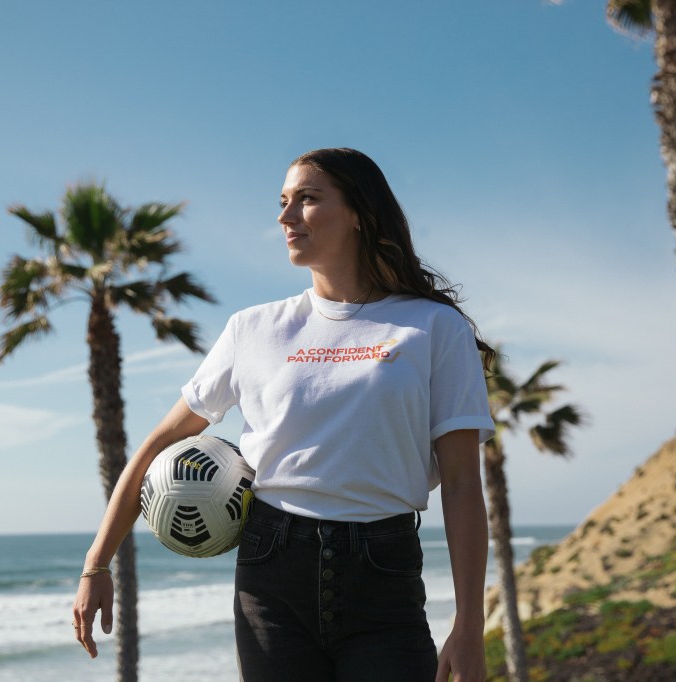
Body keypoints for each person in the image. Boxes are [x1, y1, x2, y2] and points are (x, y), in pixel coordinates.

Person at [72, 148, 496, 682]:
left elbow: (461, 484)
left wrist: (469, 624)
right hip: (271, 571)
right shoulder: (254, 329)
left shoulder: (434, 328)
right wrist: (96, 563)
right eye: (282, 201)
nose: (285, 216)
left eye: (307, 199)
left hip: (382, 575)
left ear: (360, 214)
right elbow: (160, 441)